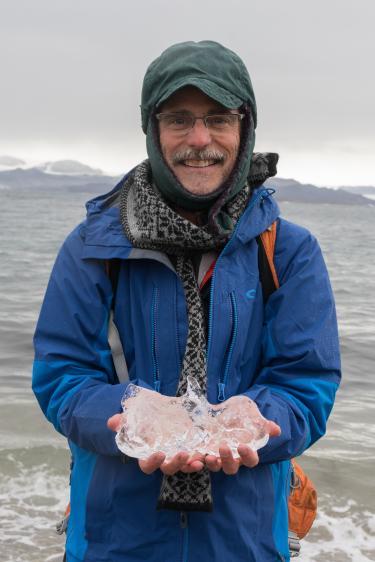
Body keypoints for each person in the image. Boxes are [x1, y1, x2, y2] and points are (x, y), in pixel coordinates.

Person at [32, 40, 341, 562]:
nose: (200, 139)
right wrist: (128, 418)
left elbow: (306, 382)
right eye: (179, 119)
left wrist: (256, 422)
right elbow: (61, 375)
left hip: (245, 540)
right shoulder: (94, 247)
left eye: (219, 118)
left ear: (245, 129)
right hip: (113, 538)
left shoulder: (287, 251)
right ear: (153, 131)